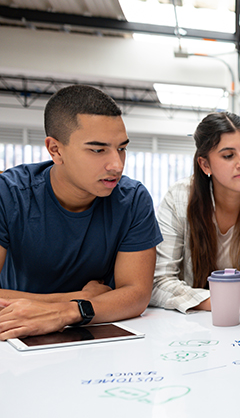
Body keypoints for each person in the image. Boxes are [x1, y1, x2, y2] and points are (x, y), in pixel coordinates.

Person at [0, 85, 162, 340]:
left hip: (93, 331)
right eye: (98, 150)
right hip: (16, 330)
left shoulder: (133, 200)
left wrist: (68, 312)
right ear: (55, 150)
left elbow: (136, 295)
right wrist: (81, 299)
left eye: (121, 148)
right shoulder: (8, 194)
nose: (117, 165)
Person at [151, 112, 240, 313]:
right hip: (191, 327)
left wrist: (200, 300)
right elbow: (157, 283)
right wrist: (226, 297)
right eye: (228, 156)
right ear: (205, 164)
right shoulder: (178, 198)